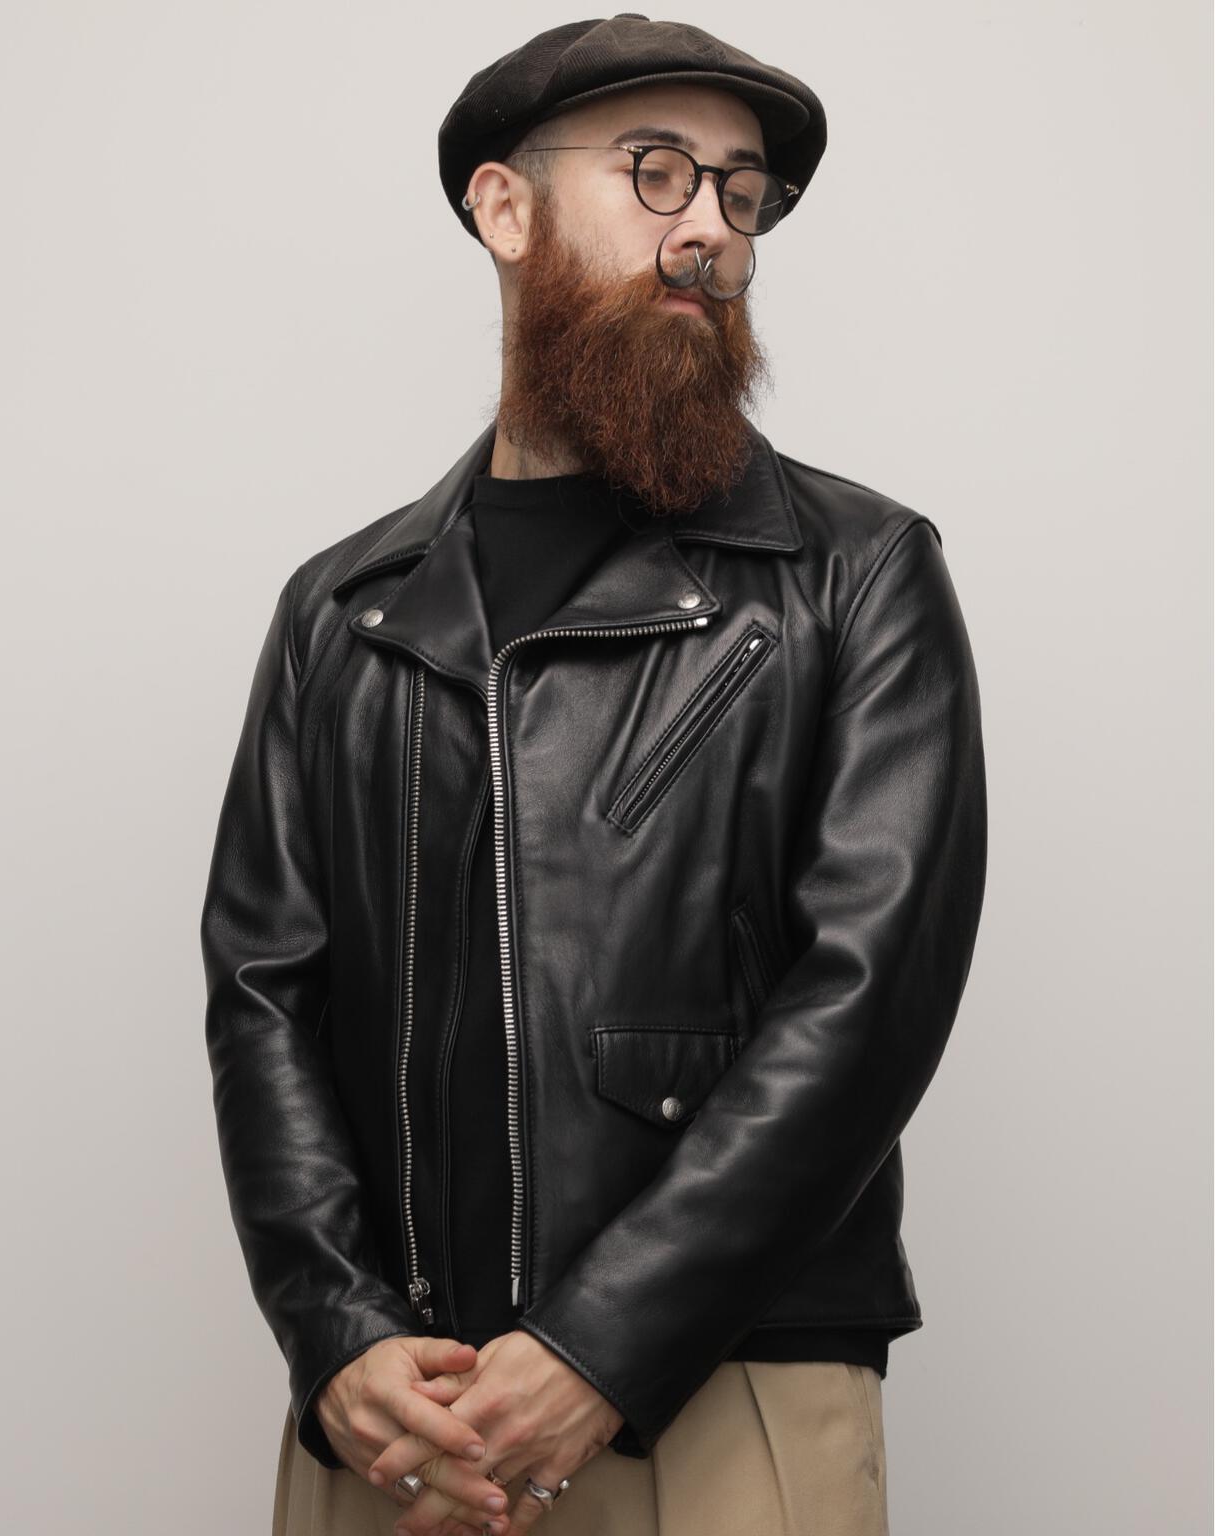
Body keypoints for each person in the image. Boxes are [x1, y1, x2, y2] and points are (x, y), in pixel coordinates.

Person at [200, 15, 988, 1536]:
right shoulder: (338, 610)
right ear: (505, 210)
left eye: (741, 192)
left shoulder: (858, 574)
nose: (711, 229)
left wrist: (599, 1344)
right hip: (396, 1422)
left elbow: (868, 1000)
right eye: (656, 171)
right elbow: (263, 997)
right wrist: (335, 1334)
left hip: (726, 1398)